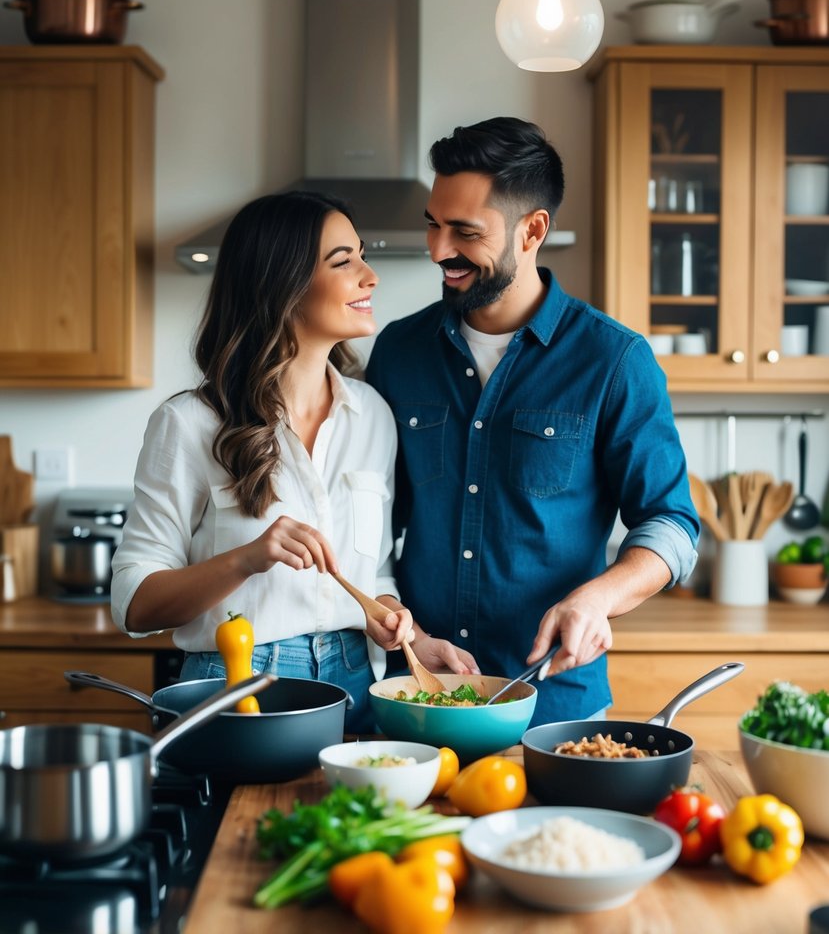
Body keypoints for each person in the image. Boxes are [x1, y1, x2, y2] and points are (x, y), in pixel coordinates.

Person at [366, 117, 699, 725]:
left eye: (465, 232)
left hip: (555, 704)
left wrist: (596, 599)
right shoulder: (397, 351)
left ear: (533, 230)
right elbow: (369, 523)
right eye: (434, 225)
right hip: (419, 691)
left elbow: (672, 524)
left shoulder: (614, 360)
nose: (439, 250)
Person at [111, 190, 457, 732]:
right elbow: (133, 602)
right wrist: (248, 558)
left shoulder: (373, 415)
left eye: (362, 255)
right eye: (344, 261)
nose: (371, 276)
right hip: (238, 684)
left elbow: (375, 570)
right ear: (282, 284)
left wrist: (405, 631)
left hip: (357, 688)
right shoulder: (190, 423)